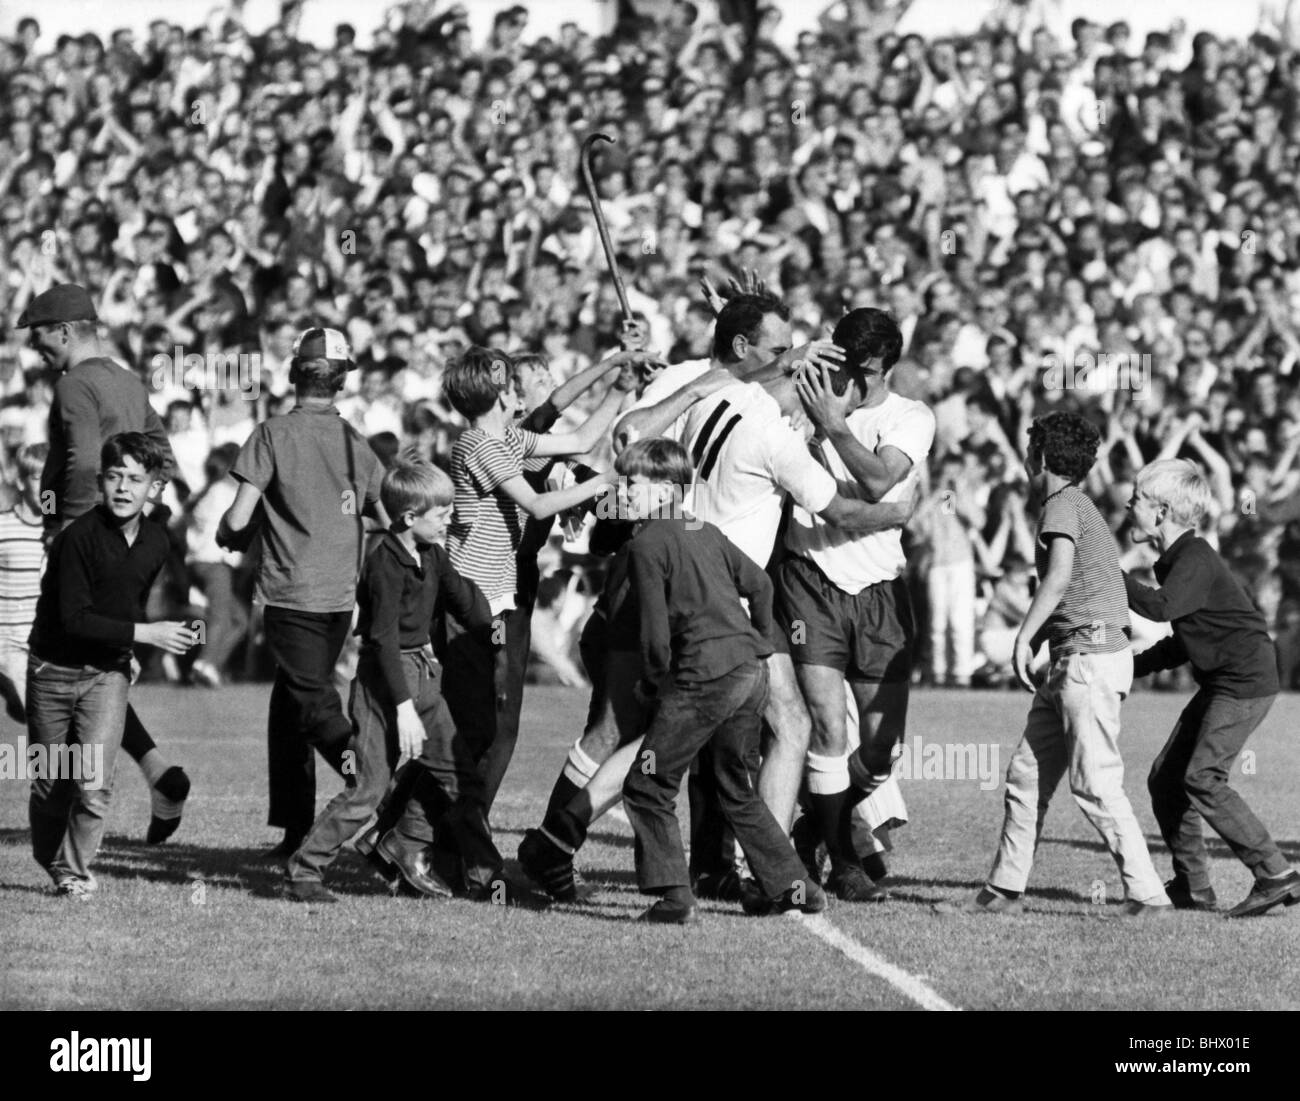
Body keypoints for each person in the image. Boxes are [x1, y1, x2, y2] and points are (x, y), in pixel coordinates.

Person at [947, 412, 1172, 917]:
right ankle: (1003, 890)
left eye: (1030, 450)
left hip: (1086, 663)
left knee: (1094, 784)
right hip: (1076, 660)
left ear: (1042, 457)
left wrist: (1024, 639)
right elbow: (1084, 589)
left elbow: (1060, 577)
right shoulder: (1078, 504)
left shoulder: (1061, 506)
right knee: (1026, 776)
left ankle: (1148, 895)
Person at [616, 438, 825, 923]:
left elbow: (654, 639)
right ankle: (798, 890)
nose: (622, 493)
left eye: (632, 484)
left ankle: (674, 899)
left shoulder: (645, 543)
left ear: (667, 489)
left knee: (646, 784)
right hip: (750, 674)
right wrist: (761, 643)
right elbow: (762, 584)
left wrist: (652, 687)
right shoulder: (704, 529)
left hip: (703, 679)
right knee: (736, 788)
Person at [16, 283, 191, 844]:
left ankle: (69, 798)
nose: (33, 347)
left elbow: (86, 466)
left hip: (86, 539)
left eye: (38, 334)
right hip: (128, 540)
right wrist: (139, 522)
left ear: (65, 331)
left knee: (63, 661)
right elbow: (163, 457)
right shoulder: (126, 380)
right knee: (100, 663)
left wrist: (71, 535)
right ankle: (158, 773)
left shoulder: (74, 385)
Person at [285, 455, 490, 903]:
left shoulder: (432, 554)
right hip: (384, 683)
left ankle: (484, 877)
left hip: (423, 677)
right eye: (443, 514)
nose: (449, 519)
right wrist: (402, 709)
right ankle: (304, 870)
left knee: (463, 778)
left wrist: (460, 566)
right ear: (409, 517)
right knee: (367, 789)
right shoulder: (384, 563)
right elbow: (381, 640)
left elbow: (473, 612)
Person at [781, 307, 935, 902]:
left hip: (879, 592)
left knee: (881, 746)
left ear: (888, 368)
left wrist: (833, 426)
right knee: (826, 728)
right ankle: (843, 859)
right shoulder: (803, 396)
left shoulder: (909, 417)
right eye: (843, 364)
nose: (851, 380)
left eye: (865, 371)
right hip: (809, 579)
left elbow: (877, 482)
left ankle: (818, 823)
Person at [218, 327, 387, 858]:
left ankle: (372, 786)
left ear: (294, 374)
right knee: (287, 708)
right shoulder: (353, 441)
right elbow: (385, 514)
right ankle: (295, 829)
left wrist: (227, 533)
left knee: (312, 705)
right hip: (339, 598)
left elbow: (238, 516)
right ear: (340, 380)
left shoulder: (272, 434)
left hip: (291, 596)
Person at [1124, 459, 1300, 918]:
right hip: (1227, 679)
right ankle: (1194, 887)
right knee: (1166, 780)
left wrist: (1108, 573)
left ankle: (1275, 873)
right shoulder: (1178, 560)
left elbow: (1162, 610)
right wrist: (1128, 667)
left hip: (1244, 681)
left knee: (1202, 777)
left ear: (1161, 512)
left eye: (1137, 500)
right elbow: (1185, 639)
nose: (1128, 506)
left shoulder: (1194, 557)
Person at [27, 433, 195, 896]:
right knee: (51, 783)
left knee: (94, 782)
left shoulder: (157, 541)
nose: (124, 488)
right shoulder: (76, 539)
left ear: (154, 488)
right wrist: (145, 634)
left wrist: (128, 651)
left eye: (136, 479)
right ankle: (53, 860)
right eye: (115, 476)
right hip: (52, 671)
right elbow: (75, 619)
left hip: (106, 674)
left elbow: (128, 600)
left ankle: (75, 874)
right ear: (100, 482)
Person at [0, 444, 48, 726]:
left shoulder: (62, 532)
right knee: (42, 717)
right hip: (7, 646)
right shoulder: (4, 527)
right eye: (38, 477)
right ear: (20, 482)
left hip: (43, 646)